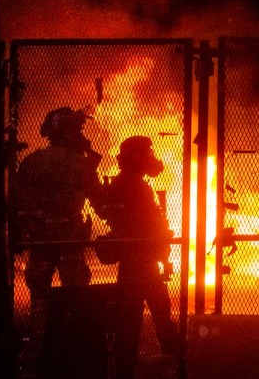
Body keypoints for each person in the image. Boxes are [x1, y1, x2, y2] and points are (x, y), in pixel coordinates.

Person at [95, 135, 182, 379]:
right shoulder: (135, 186)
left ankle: (130, 363)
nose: (152, 159)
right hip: (140, 260)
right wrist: (161, 237)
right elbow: (146, 223)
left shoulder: (124, 184)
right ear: (136, 158)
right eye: (148, 154)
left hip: (136, 261)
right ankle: (170, 355)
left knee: (144, 311)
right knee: (147, 311)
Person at [11, 106, 102, 335]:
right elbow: (99, 198)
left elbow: (20, 199)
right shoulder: (80, 164)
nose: (81, 135)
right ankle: (75, 341)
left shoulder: (33, 161)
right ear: (69, 133)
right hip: (70, 236)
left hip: (41, 238)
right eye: (77, 130)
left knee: (39, 298)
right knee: (76, 294)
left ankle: (38, 343)